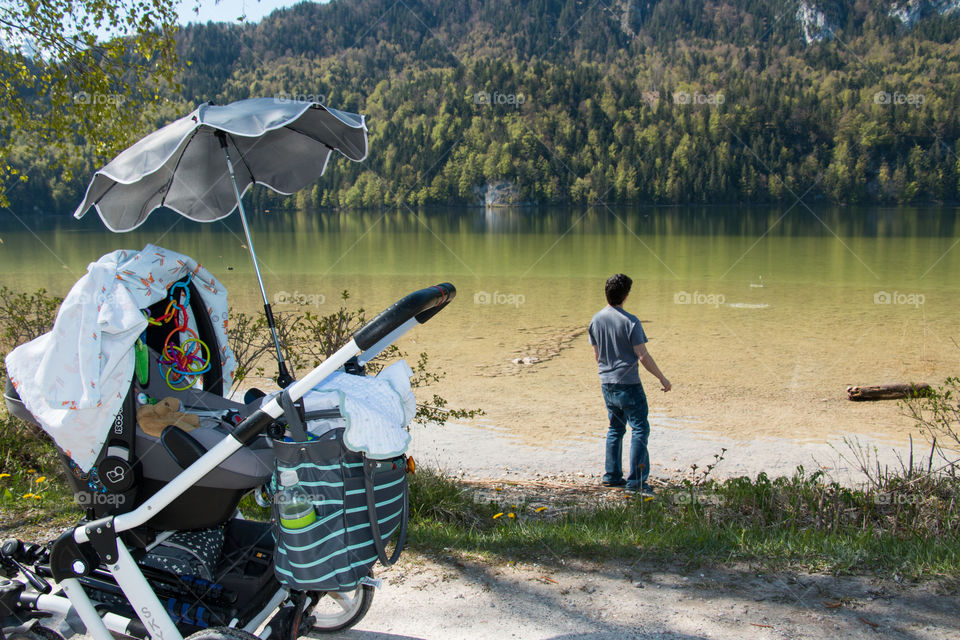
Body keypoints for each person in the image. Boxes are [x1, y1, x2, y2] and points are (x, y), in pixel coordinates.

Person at [588, 274, 671, 495]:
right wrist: (662, 378)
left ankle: (612, 476)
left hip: (607, 383)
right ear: (625, 295)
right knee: (640, 429)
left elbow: (597, 356)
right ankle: (637, 481)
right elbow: (642, 356)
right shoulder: (631, 321)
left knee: (615, 429)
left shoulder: (595, 320)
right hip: (629, 384)